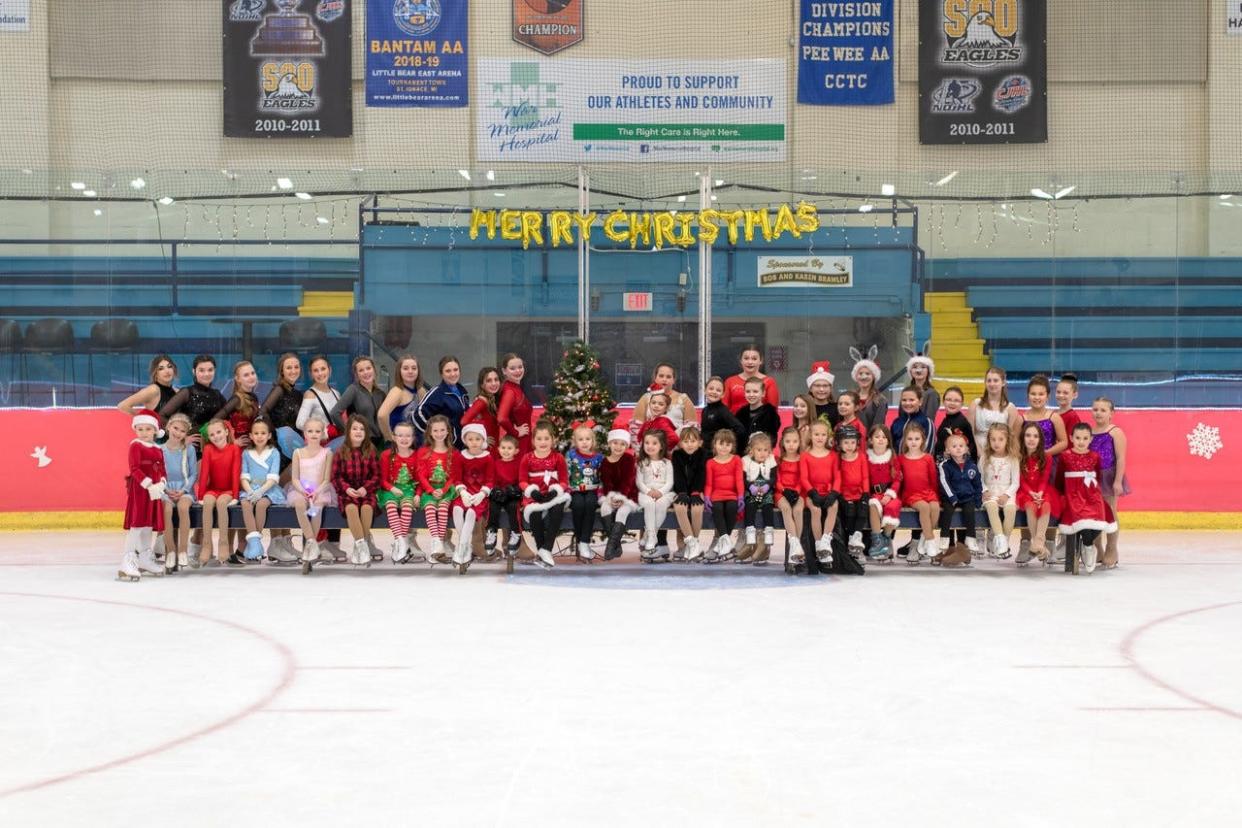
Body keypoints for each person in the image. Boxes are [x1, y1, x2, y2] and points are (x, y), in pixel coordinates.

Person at [1056, 423, 1117, 574]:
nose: (1081, 442)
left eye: (1085, 438)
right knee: (1080, 517)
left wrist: (1094, 494)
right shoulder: (1065, 456)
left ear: (1090, 439)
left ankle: (1087, 544)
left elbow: (1097, 476)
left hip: (1091, 495)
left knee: (1101, 516)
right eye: (1077, 438)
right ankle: (1089, 547)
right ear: (1071, 438)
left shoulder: (1095, 456)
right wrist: (1062, 496)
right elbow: (1059, 478)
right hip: (1073, 495)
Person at [118, 409, 169, 582]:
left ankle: (146, 558)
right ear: (135, 430)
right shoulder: (136, 446)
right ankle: (128, 558)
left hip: (154, 491)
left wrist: (161, 483)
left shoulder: (158, 449)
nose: (144, 433)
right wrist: (148, 485)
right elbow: (135, 469)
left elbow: (162, 469)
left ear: (155, 430)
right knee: (138, 523)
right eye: (140, 429)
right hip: (141, 490)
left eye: (148, 429)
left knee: (148, 524)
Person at [286, 417, 337, 573]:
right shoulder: (298, 453)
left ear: (322, 434)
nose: (314, 434)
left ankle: (308, 552)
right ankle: (312, 543)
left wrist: (316, 492)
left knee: (317, 507)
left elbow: (327, 479)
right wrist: (302, 491)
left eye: (317, 431)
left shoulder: (327, 453)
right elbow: (294, 478)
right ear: (304, 434)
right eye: (310, 431)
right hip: (300, 489)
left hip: (320, 490)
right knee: (300, 504)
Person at [519, 420, 570, 569]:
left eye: (547, 438)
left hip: (553, 496)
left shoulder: (558, 458)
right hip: (535, 496)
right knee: (534, 514)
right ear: (533, 440)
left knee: (558, 509)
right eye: (539, 439)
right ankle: (543, 550)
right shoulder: (527, 458)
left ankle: (546, 548)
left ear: (553, 440)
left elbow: (564, 480)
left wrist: (555, 491)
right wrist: (531, 491)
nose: (543, 442)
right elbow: (522, 480)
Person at [332, 415, 380, 567]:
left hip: (366, 491)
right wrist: (347, 489)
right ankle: (361, 545)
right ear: (348, 431)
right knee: (351, 509)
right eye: (354, 428)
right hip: (348, 493)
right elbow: (336, 477)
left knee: (366, 508)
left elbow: (376, 475)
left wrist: (366, 488)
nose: (358, 432)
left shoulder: (370, 450)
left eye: (362, 429)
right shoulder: (340, 452)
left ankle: (362, 546)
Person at [194, 418, 242, 568]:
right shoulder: (208, 449)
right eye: (212, 434)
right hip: (213, 489)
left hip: (228, 490)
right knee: (208, 503)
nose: (216, 436)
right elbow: (204, 474)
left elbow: (235, 473)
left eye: (219, 432)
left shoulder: (234, 449)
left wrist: (235, 495)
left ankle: (223, 542)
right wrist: (201, 496)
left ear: (226, 432)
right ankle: (207, 545)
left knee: (222, 503)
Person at [1090, 397, 1129, 569]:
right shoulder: (1089, 432)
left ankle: (1112, 548)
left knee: (1110, 513)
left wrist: (1118, 481)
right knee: (1094, 514)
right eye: (1095, 409)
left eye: (1103, 410)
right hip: (1091, 478)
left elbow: (1121, 458)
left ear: (1112, 413)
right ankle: (1098, 548)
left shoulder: (1115, 432)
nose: (1098, 413)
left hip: (1109, 476)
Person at [239, 419, 286, 562]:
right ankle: (255, 544)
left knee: (261, 505)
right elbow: (244, 476)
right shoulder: (247, 453)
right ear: (251, 436)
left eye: (263, 433)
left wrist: (261, 492)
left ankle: (255, 545)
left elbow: (273, 477)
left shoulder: (274, 453)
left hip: (269, 489)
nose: (260, 436)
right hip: (251, 488)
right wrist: (250, 491)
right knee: (246, 504)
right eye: (256, 433)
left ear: (269, 435)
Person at [416, 415, 460, 565]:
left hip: (446, 490)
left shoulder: (453, 453)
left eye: (442, 430)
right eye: (436, 430)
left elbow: (454, 476)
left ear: (448, 431)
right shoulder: (423, 452)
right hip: (429, 490)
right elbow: (420, 475)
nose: (439, 433)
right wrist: (429, 489)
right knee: (429, 508)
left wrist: (444, 489)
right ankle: (437, 544)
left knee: (442, 509)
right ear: (430, 432)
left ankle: (438, 546)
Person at [159, 354, 227, 451]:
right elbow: (161, 416)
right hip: (190, 450)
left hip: (214, 449)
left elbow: (227, 418)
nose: (206, 374)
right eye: (201, 370)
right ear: (194, 371)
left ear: (215, 371)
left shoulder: (217, 394)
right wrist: (180, 437)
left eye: (210, 370)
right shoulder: (187, 392)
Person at [159, 413, 198, 572]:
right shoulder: (159, 450)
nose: (178, 433)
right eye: (175, 428)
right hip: (165, 489)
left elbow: (193, 474)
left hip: (184, 489)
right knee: (167, 510)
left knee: (183, 508)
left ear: (186, 434)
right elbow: (158, 473)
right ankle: (170, 551)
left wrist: (183, 490)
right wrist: (166, 489)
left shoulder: (188, 450)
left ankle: (182, 550)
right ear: (168, 427)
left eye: (182, 431)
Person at [453, 423, 496, 569]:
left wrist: (482, 493)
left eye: (477, 439)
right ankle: (463, 545)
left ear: (483, 440)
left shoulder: (488, 458)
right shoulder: (461, 456)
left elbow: (490, 480)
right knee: (457, 510)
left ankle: (463, 549)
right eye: (470, 439)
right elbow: (457, 478)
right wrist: (462, 492)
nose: (474, 442)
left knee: (471, 512)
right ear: (465, 440)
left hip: (479, 495)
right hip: (465, 492)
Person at [936, 433, 982, 566]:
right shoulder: (945, 465)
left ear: (967, 449)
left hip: (967, 497)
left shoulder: (971, 466)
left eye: (961, 446)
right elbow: (944, 483)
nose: (958, 448)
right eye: (954, 446)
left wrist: (978, 499)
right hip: (951, 497)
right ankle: (945, 540)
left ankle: (969, 540)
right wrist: (952, 498)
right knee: (948, 512)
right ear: (947, 450)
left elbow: (977, 484)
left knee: (969, 512)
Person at [1016, 422, 1059, 565]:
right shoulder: (1018, 457)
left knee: (1046, 504)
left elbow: (1045, 478)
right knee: (1030, 506)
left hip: (1042, 490)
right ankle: (1039, 545)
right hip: (1024, 491)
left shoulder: (1046, 457)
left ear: (1040, 439)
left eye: (1035, 436)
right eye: (1028, 435)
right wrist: (1031, 492)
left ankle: (1038, 542)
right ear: (1022, 437)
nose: (1031, 439)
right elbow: (1021, 480)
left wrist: (1039, 492)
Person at [897, 422, 940, 566]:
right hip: (912, 494)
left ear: (922, 440)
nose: (913, 442)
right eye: (910, 439)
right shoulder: (901, 459)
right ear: (905, 440)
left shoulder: (928, 458)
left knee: (934, 507)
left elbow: (933, 479)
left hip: (928, 492)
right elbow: (900, 481)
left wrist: (934, 495)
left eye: (916, 439)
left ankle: (923, 538)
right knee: (924, 508)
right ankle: (930, 540)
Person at [287, 355, 343, 457]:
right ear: (311, 374)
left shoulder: (336, 393)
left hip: (337, 444)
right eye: (316, 370)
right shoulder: (310, 394)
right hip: (319, 446)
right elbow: (300, 423)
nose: (320, 373)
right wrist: (324, 432)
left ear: (330, 370)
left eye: (323, 369)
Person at [381, 421, 421, 565]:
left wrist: (418, 494)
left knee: (407, 507)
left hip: (409, 490)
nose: (404, 439)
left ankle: (400, 543)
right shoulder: (386, 455)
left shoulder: (417, 456)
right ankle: (401, 541)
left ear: (413, 438)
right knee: (391, 506)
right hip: (390, 489)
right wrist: (392, 488)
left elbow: (420, 479)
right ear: (394, 437)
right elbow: (383, 479)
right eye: (400, 435)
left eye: (408, 436)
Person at [799, 421, 838, 566]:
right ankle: (818, 543)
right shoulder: (805, 456)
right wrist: (811, 492)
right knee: (815, 510)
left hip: (828, 491)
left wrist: (834, 493)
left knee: (833, 507)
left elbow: (837, 477)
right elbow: (803, 478)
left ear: (827, 436)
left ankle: (826, 540)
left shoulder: (833, 455)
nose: (820, 438)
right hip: (811, 492)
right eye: (816, 434)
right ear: (811, 436)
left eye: (823, 434)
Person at [629, 363, 696, 445]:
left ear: (674, 380)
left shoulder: (683, 399)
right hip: (651, 450)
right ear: (655, 378)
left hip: (678, 449)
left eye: (668, 377)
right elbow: (636, 430)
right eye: (661, 376)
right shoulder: (645, 398)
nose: (664, 379)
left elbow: (692, 429)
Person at [564, 421, 603, 562]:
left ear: (593, 441)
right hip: (575, 490)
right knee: (579, 505)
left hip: (592, 490)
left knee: (591, 504)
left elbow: (602, 475)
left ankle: (585, 542)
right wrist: (567, 489)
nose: (585, 442)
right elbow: (565, 473)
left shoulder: (598, 457)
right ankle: (581, 541)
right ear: (575, 441)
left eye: (588, 439)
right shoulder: (571, 455)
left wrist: (601, 492)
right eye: (581, 439)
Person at [980, 422, 1020, 560]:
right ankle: (999, 538)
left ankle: (1005, 541)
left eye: (1001, 439)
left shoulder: (1013, 459)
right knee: (991, 506)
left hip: (1006, 493)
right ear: (989, 440)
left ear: (1007, 440)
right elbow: (980, 478)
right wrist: (984, 490)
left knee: (1010, 510)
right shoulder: (985, 457)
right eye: (993, 439)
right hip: (990, 493)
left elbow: (1015, 482)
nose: (996, 443)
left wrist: (1007, 495)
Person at [703, 428, 743, 561]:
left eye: (728, 444)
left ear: (732, 446)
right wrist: (707, 496)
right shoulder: (710, 463)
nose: (724, 447)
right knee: (718, 509)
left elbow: (739, 479)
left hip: (731, 494)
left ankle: (722, 543)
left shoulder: (736, 459)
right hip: (716, 495)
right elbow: (709, 484)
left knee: (732, 507)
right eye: (721, 443)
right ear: (715, 444)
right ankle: (725, 542)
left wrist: (741, 496)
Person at [414, 356, 471, 449]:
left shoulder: (463, 392)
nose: (453, 374)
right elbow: (418, 415)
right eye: (448, 371)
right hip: (445, 448)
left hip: (461, 447)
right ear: (441, 374)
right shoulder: (438, 393)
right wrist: (436, 436)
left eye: (455, 370)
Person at [599, 429, 639, 561]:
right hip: (611, 496)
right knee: (605, 508)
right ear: (609, 444)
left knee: (622, 511)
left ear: (626, 446)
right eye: (615, 443)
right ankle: (616, 546)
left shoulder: (628, 459)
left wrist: (621, 497)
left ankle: (610, 548)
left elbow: (627, 481)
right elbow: (607, 483)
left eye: (622, 444)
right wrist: (611, 499)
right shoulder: (605, 462)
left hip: (628, 496)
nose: (618, 446)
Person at [834, 425, 871, 565]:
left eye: (852, 442)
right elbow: (837, 478)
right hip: (845, 494)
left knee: (862, 509)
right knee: (849, 512)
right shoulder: (838, 458)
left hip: (860, 492)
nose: (849, 446)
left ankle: (856, 536)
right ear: (839, 443)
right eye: (846, 442)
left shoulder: (861, 457)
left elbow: (865, 476)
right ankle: (850, 540)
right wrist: (840, 494)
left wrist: (866, 493)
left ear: (857, 443)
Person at [739, 432, 778, 565]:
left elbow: (774, 477)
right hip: (752, 489)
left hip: (766, 489)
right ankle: (750, 530)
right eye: (759, 450)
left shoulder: (771, 460)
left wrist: (768, 486)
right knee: (750, 504)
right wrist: (751, 487)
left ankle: (768, 530)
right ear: (751, 451)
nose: (762, 453)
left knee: (768, 505)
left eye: (765, 450)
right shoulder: (745, 461)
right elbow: (743, 479)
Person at [637, 430, 675, 562]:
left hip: (664, 492)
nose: (650, 446)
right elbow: (639, 482)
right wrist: (648, 491)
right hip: (646, 492)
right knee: (649, 503)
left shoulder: (667, 463)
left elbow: (670, 482)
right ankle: (652, 536)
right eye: (646, 443)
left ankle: (649, 534)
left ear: (661, 446)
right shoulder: (642, 462)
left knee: (660, 504)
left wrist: (661, 492)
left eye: (654, 443)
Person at [330, 356, 386, 446]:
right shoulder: (353, 390)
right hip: (361, 442)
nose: (366, 372)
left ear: (374, 370)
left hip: (380, 442)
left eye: (368, 368)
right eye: (361, 370)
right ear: (356, 374)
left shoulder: (380, 393)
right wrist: (349, 433)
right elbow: (334, 413)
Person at [968, 366, 1022, 459]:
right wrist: (978, 451)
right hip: (977, 451)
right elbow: (970, 431)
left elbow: (1010, 436)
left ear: (1003, 382)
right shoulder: (975, 404)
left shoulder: (1010, 408)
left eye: (996, 380)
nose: (992, 384)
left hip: (1000, 453)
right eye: (989, 381)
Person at [866, 424, 902, 561]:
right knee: (873, 504)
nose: (880, 439)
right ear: (870, 440)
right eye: (877, 437)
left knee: (893, 508)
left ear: (888, 440)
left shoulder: (892, 457)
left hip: (889, 494)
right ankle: (877, 540)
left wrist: (890, 494)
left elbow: (897, 479)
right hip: (874, 494)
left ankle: (886, 538)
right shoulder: (866, 458)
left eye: (884, 437)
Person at [672, 425, 708, 561]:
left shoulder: (703, 454)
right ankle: (692, 544)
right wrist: (682, 492)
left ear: (700, 442)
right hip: (681, 490)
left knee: (697, 509)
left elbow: (701, 474)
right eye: (686, 442)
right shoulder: (677, 455)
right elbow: (678, 475)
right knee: (680, 507)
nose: (689, 445)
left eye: (693, 441)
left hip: (697, 490)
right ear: (681, 443)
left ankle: (695, 542)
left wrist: (695, 492)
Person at [376, 354, 428, 444]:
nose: (410, 371)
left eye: (414, 368)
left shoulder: (421, 390)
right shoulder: (397, 392)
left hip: (417, 442)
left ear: (418, 371)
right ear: (399, 371)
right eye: (405, 368)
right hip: (400, 445)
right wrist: (389, 437)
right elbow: (382, 415)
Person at [259, 354, 303, 460]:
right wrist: (275, 436)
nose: (293, 370)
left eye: (296, 367)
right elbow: (262, 412)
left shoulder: (298, 394)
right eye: (289, 367)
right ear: (282, 371)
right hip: (279, 449)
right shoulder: (279, 390)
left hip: (294, 446)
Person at [488, 435, 525, 559]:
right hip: (499, 494)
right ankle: (491, 532)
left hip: (512, 494)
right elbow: (492, 480)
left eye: (509, 448)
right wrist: (495, 490)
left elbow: (522, 480)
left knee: (513, 507)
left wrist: (516, 490)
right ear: (498, 449)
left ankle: (515, 533)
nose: (506, 451)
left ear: (516, 451)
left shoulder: (519, 463)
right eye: (503, 447)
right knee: (493, 506)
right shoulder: (496, 463)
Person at [775, 427, 806, 565]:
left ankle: (795, 547)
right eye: (788, 441)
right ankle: (795, 544)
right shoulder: (778, 460)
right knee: (786, 509)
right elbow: (776, 479)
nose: (791, 444)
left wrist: (797, 491)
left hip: (797, 492)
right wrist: (784, 490)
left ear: (799, 442)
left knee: (798, 510)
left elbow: (802, 478)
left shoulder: (802, 459)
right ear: (782, 443)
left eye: (794, 441)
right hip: (781, 493)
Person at [497, 353, 534, 455]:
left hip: (524, 440)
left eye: (520, 367)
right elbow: (501, 418)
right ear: (504, 371)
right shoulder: (510, 391)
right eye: (512, 368)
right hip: (519, 443)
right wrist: (516, 432)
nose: (518, 371)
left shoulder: (514, 388)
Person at [722, 345, 779, 411]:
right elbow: (723, 409)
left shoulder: (769, 382)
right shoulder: (730, 382)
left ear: (761, 361)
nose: (750, 362)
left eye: (754, 359)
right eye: (746, 358)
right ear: (741, 360)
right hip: (733, 420)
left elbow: (773, 411)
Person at [1024, 374, 1068, 457]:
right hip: (1027, 461)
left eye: (1041, 394)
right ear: (1028, 396)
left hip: (1049, 462)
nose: (1037, 397)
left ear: (1047, 396)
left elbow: (1064, 442)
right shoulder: (1022, 419)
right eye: (1033, 394)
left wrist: (1045, 453)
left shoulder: (1054, 417)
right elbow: (1015, 442)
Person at [461, 366, 502, 453]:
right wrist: (481, 438)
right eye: (489, 381)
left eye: (496, 379)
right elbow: (464, 421)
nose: (494, 383)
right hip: (486, 449)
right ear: (482, 385)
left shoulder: (492, 399)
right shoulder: (481, 402)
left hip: (494, 446)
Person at [849, 345, 888, 432]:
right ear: (856, 376)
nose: (864, 377)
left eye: (867, 374)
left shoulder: (880, 400)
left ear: (873, 376)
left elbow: (878, 427)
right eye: (860, 373)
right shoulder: (849, 398)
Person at [700, 376, 746, 449]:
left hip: (718, 452)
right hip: (705, 451)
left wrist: (726, 443)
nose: (714, 392)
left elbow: (740, 429)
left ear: (723, 395)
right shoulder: (705, 410)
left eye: (718, 390)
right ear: (705, 391)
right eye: (711, 389)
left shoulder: (723, 411)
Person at [934, 386, 977, 462]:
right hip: (943, 464)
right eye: (948, 399)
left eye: (956, 400)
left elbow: (971, 447)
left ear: (962, 404)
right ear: (943, 402)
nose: (952, 403)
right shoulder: (945, 420)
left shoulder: (962, 422)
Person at [735, 376, 780, 447]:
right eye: (748, 391)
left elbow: (772, 437)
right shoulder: (741, 413)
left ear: (763, 393)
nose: (751, 395)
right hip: (744, 455)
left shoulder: (770, 413)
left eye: (755, 391)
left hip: (763, 454)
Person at [905, 347, 941, 420]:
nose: (918, 370)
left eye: (923, 367)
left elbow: (929, 419)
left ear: (928, 371)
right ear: (910, 371)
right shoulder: (906, 392)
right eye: (915, 367)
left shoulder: (932, 394)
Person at [805, 361, 839, 426]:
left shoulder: (837, 408)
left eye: (825, 386)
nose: (821, 389)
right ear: (810, 388)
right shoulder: (806, 408)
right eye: (817, 386)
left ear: (831, 388)